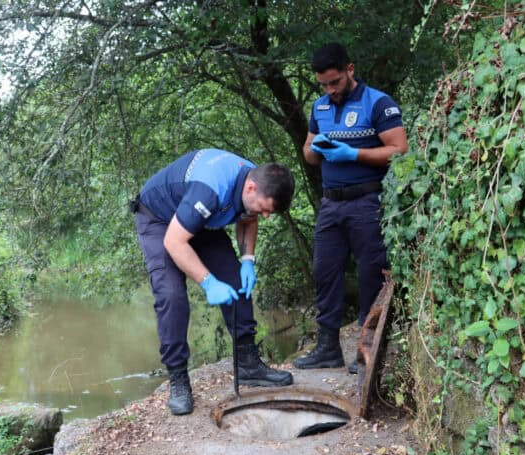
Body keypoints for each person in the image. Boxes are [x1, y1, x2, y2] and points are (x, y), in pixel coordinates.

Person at [132, 149, 295, 415]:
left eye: (269, 212)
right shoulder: (210, 188)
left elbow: (248, 217)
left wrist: (248, 260)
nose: (264, 216)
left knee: (235, 279)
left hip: (201, 220)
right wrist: (208, 282)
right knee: (171, 295)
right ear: (251, 188)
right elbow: (174, 242)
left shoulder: (256, 180)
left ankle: (247, 363)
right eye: (265, 209)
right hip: (160, 220)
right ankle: (178, 379)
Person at [293, 43, 408, 373]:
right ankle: (328, 348)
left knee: (370, 273)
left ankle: (365, 350)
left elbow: (399, 149)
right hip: (331, 203)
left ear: (350, 70)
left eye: (335, 82)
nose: (331, 90)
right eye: (324, 85)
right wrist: (318, 150)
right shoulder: (320, 107)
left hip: (367, 200)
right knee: (325, 272)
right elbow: (308, 151)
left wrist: (354, 154)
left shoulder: (378, 103)